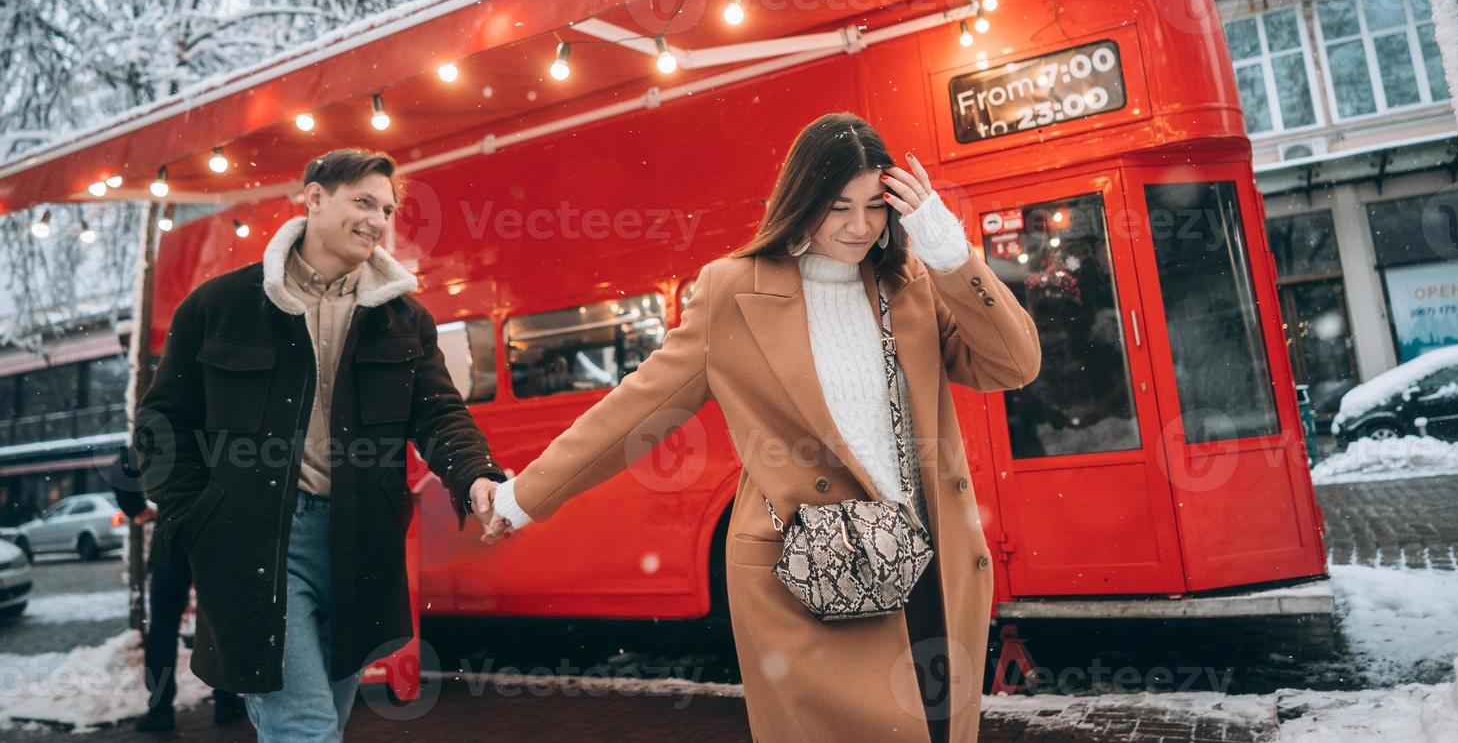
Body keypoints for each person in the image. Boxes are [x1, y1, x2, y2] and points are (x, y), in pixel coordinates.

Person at [483, 113, 1042, 743]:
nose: (859, 227)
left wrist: (947, 251)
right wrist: (524, 496)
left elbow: (1013, 363)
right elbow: (638, 409)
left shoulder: (909, 283)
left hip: (923, 565)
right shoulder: (732, 290)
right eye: (838, 207)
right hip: (807, 576)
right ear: (802, 201)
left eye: (874, 208)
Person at [135, 149, 506, 742]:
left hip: (360, 545)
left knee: (324, 722)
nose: (377, 220)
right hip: (259, 545)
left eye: (386, 208)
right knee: (305, 727)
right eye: (363, 201)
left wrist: (476, 475)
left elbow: (438, 413)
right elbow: (161, 422)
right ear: (313, 198)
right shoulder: (218, 306)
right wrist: (198, 516)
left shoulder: (404, 319)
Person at [107, 444, 246, 732]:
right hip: (213, 530)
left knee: (163, 626)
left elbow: (124, 464)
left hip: (172, 533)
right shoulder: (216, 424)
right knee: (217, 617)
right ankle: (226, 697)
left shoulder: (168, 420)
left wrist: (138, 510)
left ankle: (160, 710)